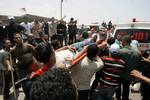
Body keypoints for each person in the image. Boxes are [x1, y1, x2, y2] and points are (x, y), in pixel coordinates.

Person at [115, 35, 141, 100]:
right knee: (126, 88)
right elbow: (139, 63)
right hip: (130, 75)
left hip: (120, 74)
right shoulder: (137, 52)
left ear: (124, 41)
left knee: (118, 87)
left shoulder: (121, 51)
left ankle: (118, 97)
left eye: (122, 41)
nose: (121, 42)